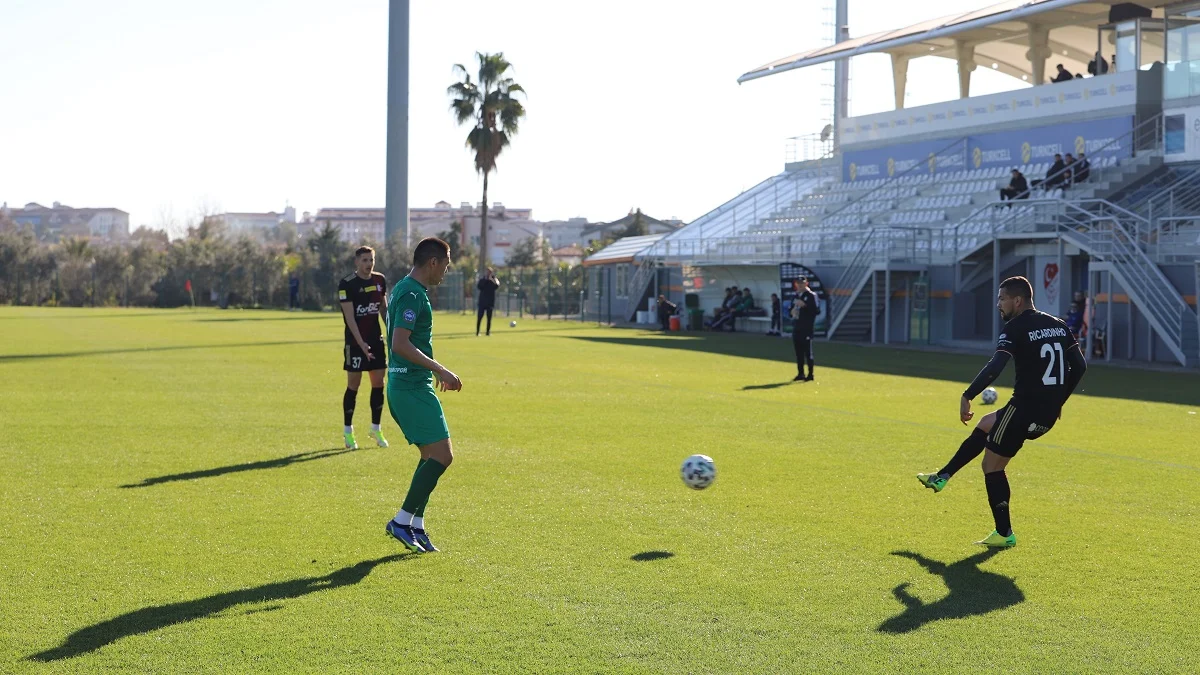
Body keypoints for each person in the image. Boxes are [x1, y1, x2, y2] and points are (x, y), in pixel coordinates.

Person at [916, 276, 1087, 548]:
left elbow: (996, 366)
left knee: (991, 466)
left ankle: (1004, 533)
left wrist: (967, 395)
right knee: (986, 423)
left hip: (1022, 411)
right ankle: (942, 477)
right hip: (1045, 415)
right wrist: (1059, 402)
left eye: (1001, 299)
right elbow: (1079, 366)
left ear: (1017, 300)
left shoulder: (1016, 328)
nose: (999, 304)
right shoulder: (1058, 325)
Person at [384, 237, 463, 554]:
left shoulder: (405, 288)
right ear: (433, 262)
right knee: (443, 456)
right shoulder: (413, 293)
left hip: (410, 385)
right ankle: (402, 521)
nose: (445, 271)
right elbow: (399, 344)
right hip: (410, 386)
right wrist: (440, 369)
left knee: (430, 457)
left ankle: (415, 525)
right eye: (445, 264)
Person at [338, 246, 389, 450]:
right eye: (365, 260)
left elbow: (384, 309)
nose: (369, 264)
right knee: (354, 385)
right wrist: (360, 342)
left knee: (379, 383)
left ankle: (375, 428)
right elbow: (350, 318)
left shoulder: (379, 280)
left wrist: (393, 332)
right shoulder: (347, 284)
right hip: (355, 342)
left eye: (371, 260)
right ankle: (348, 431)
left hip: (376, 340)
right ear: (357, 262)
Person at [790, 277, 820, 381]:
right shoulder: (796, 295)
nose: (800, 285)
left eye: (802, 283)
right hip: (796, 327)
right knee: (798, 353)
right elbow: (791, 310)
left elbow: (816, 311)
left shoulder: (811, 295)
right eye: (798, 283)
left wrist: (805, 306)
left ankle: (810, 374)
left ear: (806, 283)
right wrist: (792, 311)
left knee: (808, 352)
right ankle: (800, 373)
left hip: (807, 328)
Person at [476, 268, 499, 336]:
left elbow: (497, 285)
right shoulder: (483, 279)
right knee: (480, 317)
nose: (488, 273)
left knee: (489, 318)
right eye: (487, 272)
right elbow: (479, 286)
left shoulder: (494, 280)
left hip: (490, 302)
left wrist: (491, 279)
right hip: (482, 302)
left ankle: (488, 332)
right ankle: (477, 332)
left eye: (490, 272)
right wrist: (486, 280)